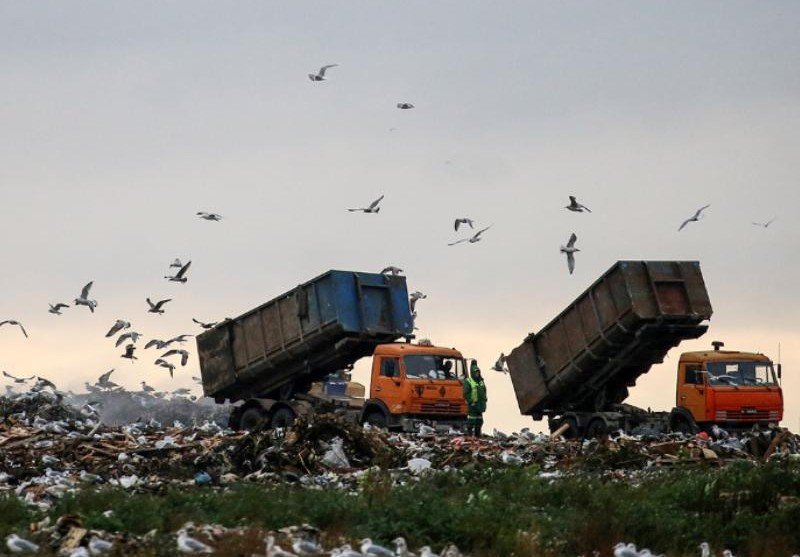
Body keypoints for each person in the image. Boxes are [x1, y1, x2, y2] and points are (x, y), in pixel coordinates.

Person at [463, 360, 487, 437]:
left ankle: (478, 435)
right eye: (476, 372)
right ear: (472, 373)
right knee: (471, 420)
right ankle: (469, 435)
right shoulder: (468, 381)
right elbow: (465, 393)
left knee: (479, 421)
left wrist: (485, 399)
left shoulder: (481, 381)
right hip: (473, 404)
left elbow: (484, 390)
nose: (477, 373)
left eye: (478, 372)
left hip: (480, 405)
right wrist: (470, 401)